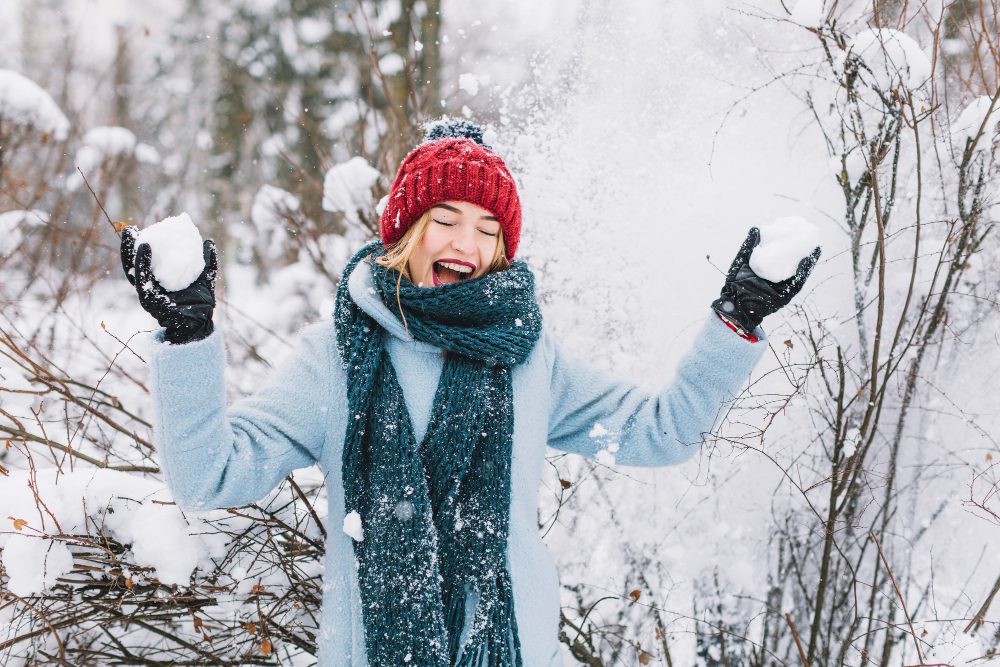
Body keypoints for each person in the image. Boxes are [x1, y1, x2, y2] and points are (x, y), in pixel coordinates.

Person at [120, 120, 820, 667]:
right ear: (406, 230)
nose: (468, 242)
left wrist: (737, 319)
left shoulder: (527, 356)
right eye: (447, 220)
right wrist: (188, 335)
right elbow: (208, 474)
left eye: (489, 229)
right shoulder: (334, 359)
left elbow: (660, 430)